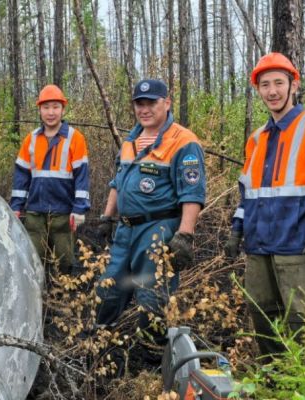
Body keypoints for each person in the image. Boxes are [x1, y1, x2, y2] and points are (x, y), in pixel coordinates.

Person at [224, 52, 305, 358]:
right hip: (258, 246)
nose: (272, 91)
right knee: (263, 318)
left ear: (294, 85)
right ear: (258, 90)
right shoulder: (256, 138)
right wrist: (236, 231)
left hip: (298, 244)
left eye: (279, 83)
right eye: (265, 85)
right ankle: (273, 383)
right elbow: (248, 194)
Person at [95, 79, 206, 340]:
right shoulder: (130, 141)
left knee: (152, 295)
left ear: (166, 103)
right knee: (109, 288)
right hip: (125, 231)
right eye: (139, 104)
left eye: (151, 103)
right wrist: (107, 217)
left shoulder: (183, 142)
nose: (144, 109)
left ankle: (152, 357)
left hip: (157, 230)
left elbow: (192, 192)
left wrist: (185, 234)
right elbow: (117, 181)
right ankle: (99, 345)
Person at [10, 84, 90, 275]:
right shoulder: (31, 139)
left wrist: (79, 208)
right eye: (46, 107)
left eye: (55, 107)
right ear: (39, 110)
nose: (51, 112)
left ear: (63, 109)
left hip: (63, 214)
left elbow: (82, 177)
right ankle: (39, 299)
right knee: (33, 261)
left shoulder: (75, 138)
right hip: (35, 213)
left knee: (65, 263)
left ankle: (62, 299)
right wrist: (16, 207)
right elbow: (21, 177)